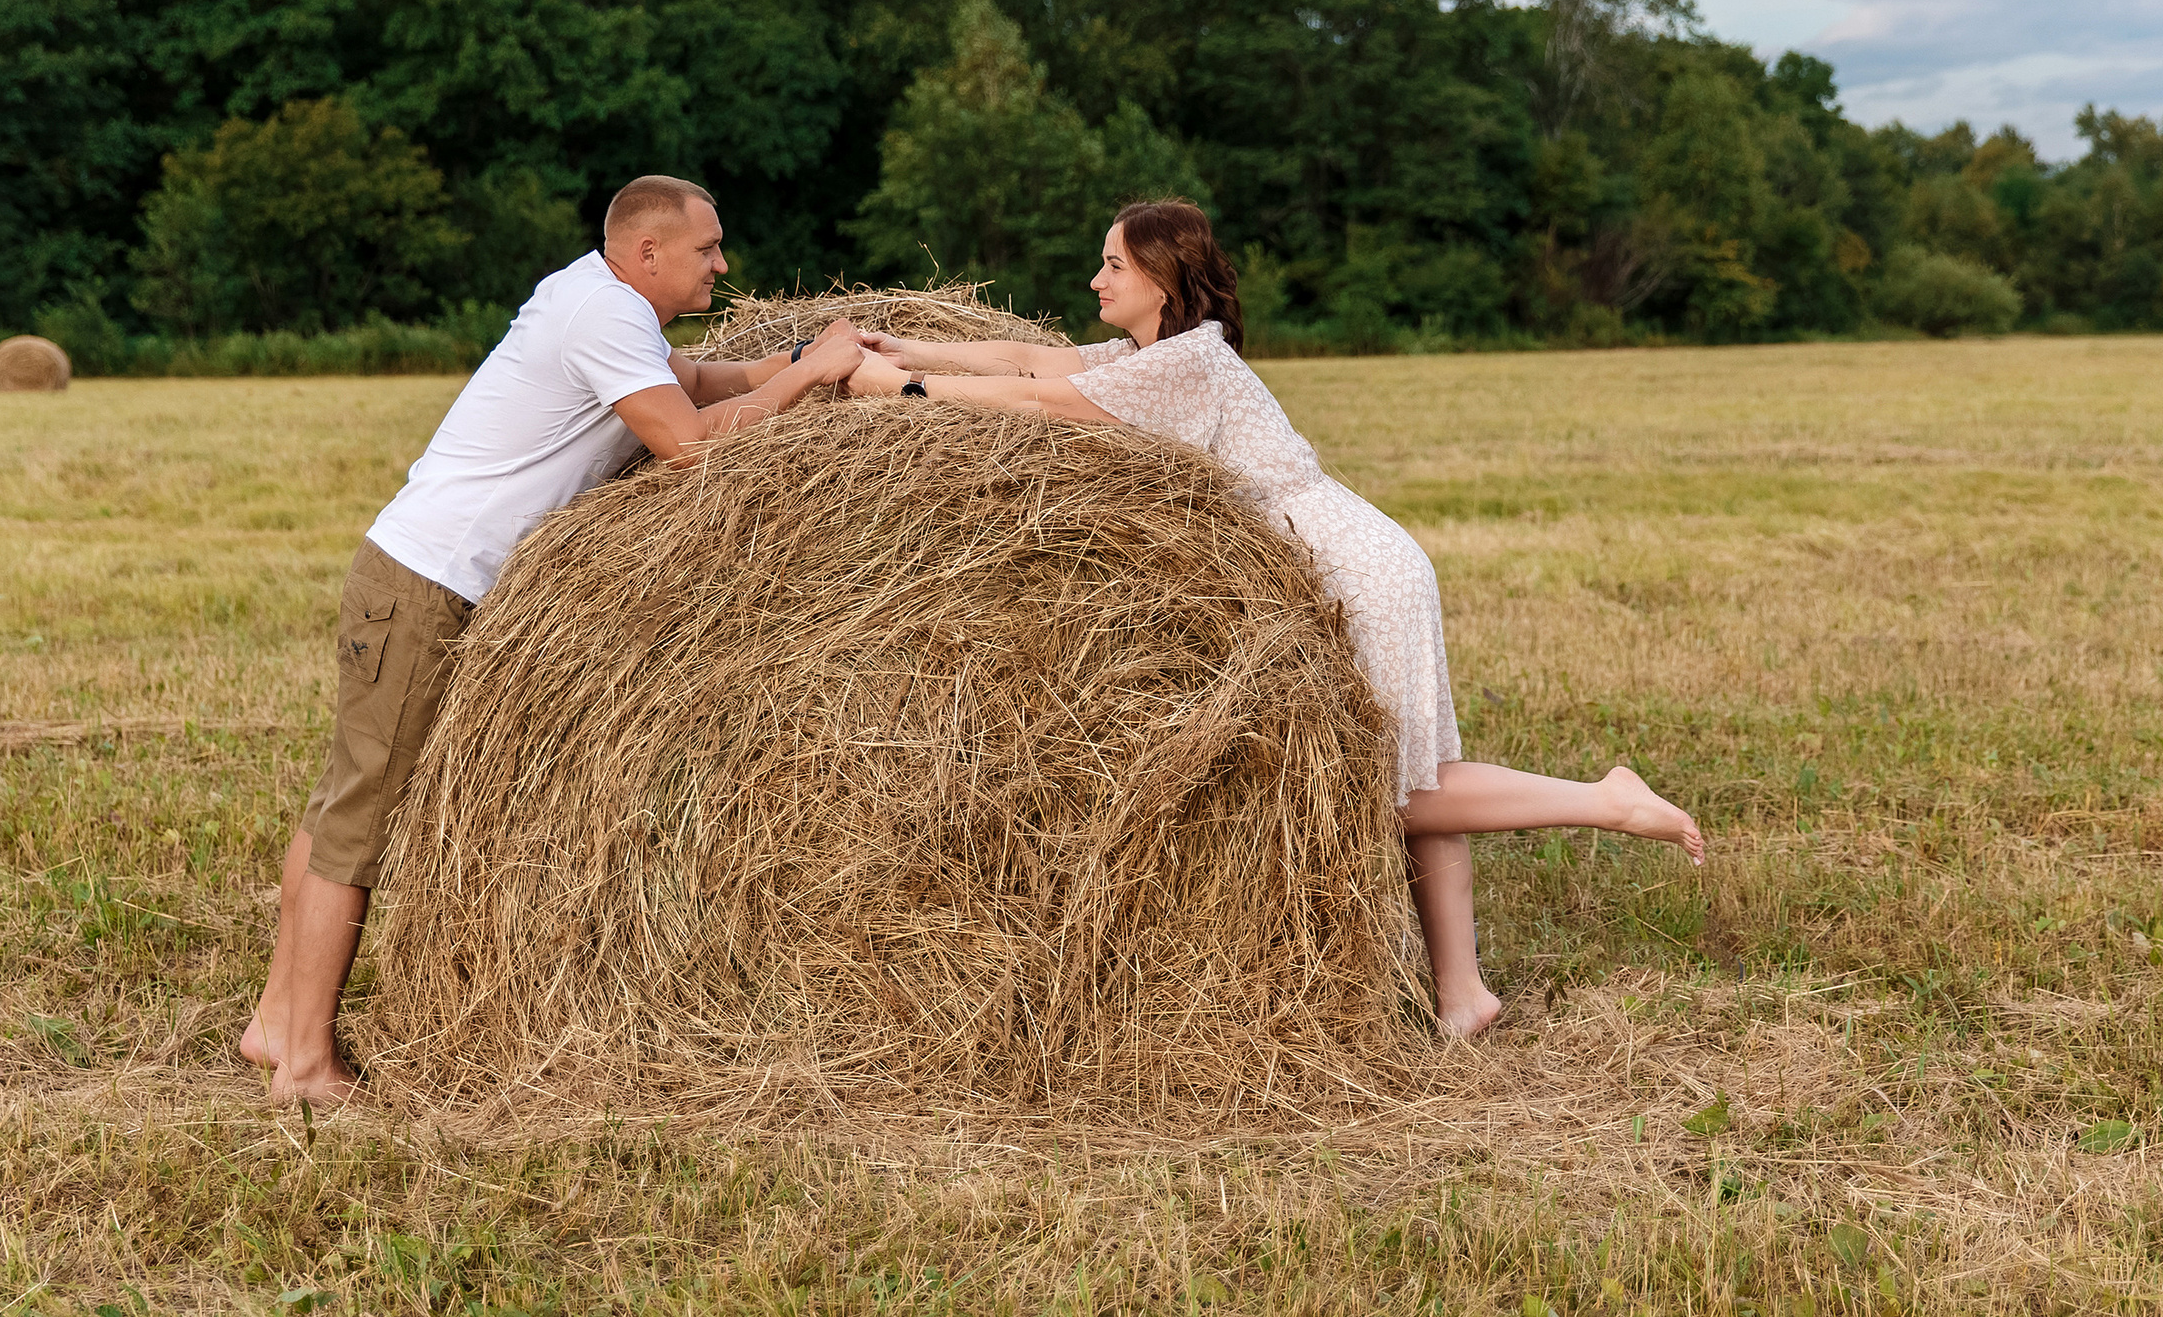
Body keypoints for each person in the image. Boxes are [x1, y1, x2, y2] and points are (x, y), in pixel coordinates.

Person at [841, 199, 1704, 1037]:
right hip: (1350, 556)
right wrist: (907, 342)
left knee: (1394, 789)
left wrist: (907, 387)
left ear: (1163, 278)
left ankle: (1606, 800)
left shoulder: (1191, 364)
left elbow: (1041, 403)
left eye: (1113, 263)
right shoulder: (1152, 355)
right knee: (1415, 778)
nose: (1095, 277)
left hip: (1353, 568)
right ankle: (1463, 990)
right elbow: (1028, 360)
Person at [244, 174, 865, 1104]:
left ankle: (274, 1025)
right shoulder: (605, 315)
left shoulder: (594, 295)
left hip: (410, 571)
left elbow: (693, 382)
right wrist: (813, 378)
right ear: (647, 252)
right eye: (707, 249)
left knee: (341, 804)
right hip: (430, 585)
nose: (723, 264)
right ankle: (304, 1064)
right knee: (358, 826)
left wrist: (791, 363)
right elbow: (689, 442)